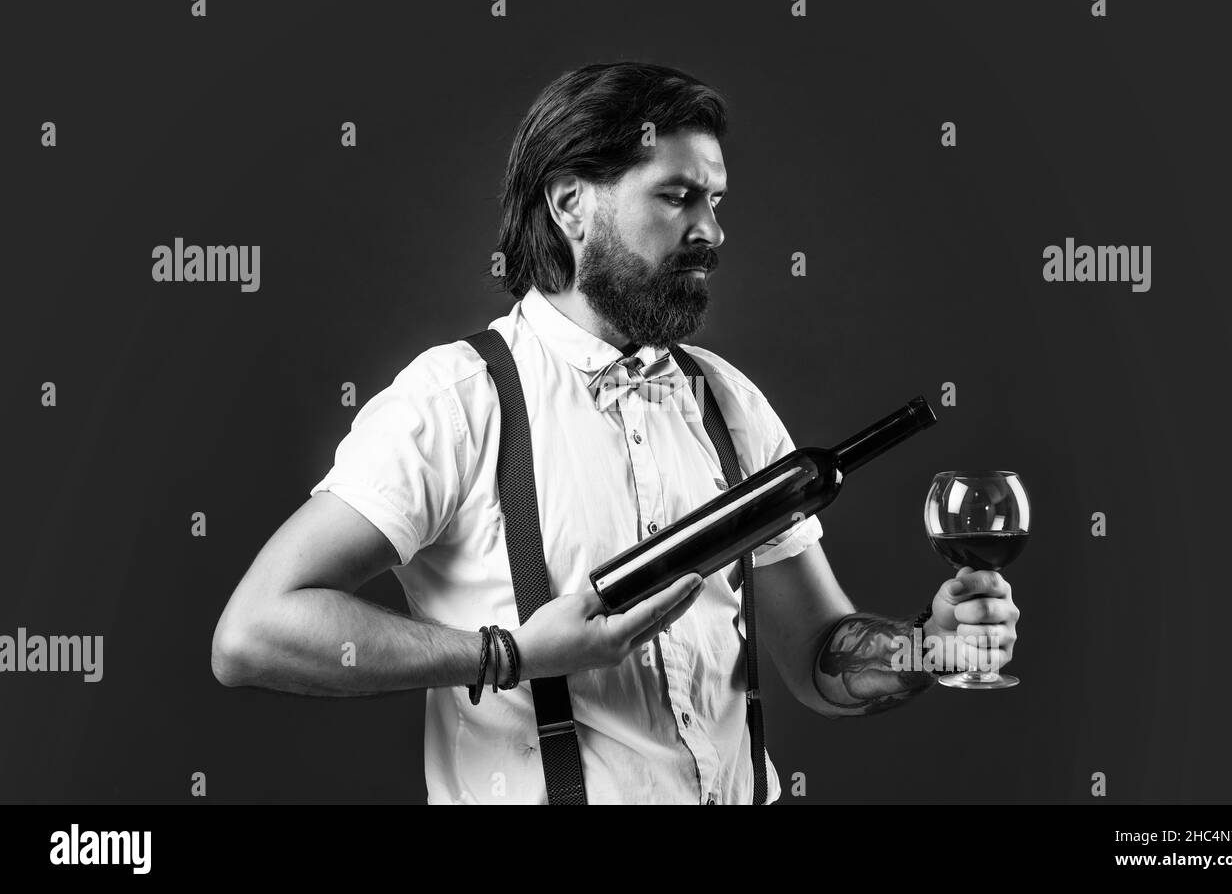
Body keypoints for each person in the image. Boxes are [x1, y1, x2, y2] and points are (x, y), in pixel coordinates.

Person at [210, 61, 1020, 805]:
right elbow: (253, 633)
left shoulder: (727, 401)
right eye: (677, 197)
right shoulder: (458, 399)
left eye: (716, 200)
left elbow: (818, 657)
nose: (712, 230)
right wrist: (507, 656)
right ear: (571, 205)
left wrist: (925, 649)